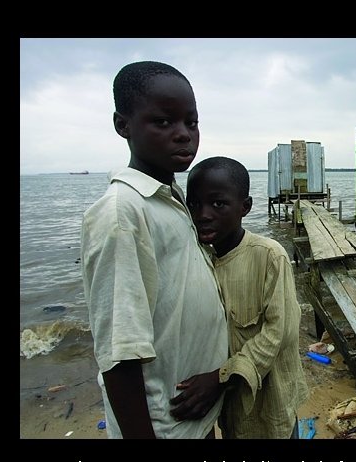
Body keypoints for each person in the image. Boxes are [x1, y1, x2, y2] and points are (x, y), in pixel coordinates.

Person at [80, 61, 229, 438]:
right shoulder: (122, 213)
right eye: (163, 122)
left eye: (190, 123)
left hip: (193, 414)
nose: (183, 135)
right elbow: (120, 353)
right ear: (123, 125)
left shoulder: (169, 198)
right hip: (163, 429)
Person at [184, 156, 309, 438]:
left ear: (245, 207)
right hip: (227, 407)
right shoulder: (198, 260)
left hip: (270, 399)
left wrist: (221, 377)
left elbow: (279, 332)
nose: (203, 214)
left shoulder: (269, 256)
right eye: (194, 204)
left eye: (218, 204)